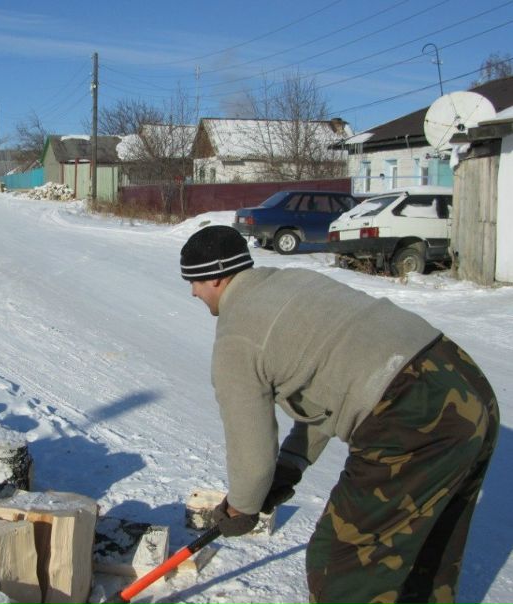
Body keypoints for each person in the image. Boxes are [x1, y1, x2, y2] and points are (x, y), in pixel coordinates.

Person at [180, 224, 498, 604]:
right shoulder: (293, 283)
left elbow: (251, 450)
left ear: (215, 276)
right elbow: (328, 387)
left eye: (194, 282)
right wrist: (293, 463)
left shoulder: (236, 338)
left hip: (410, 415)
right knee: (428, 556)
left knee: (342, 567)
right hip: (464, 383)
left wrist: (242, 507)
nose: (193, 292)